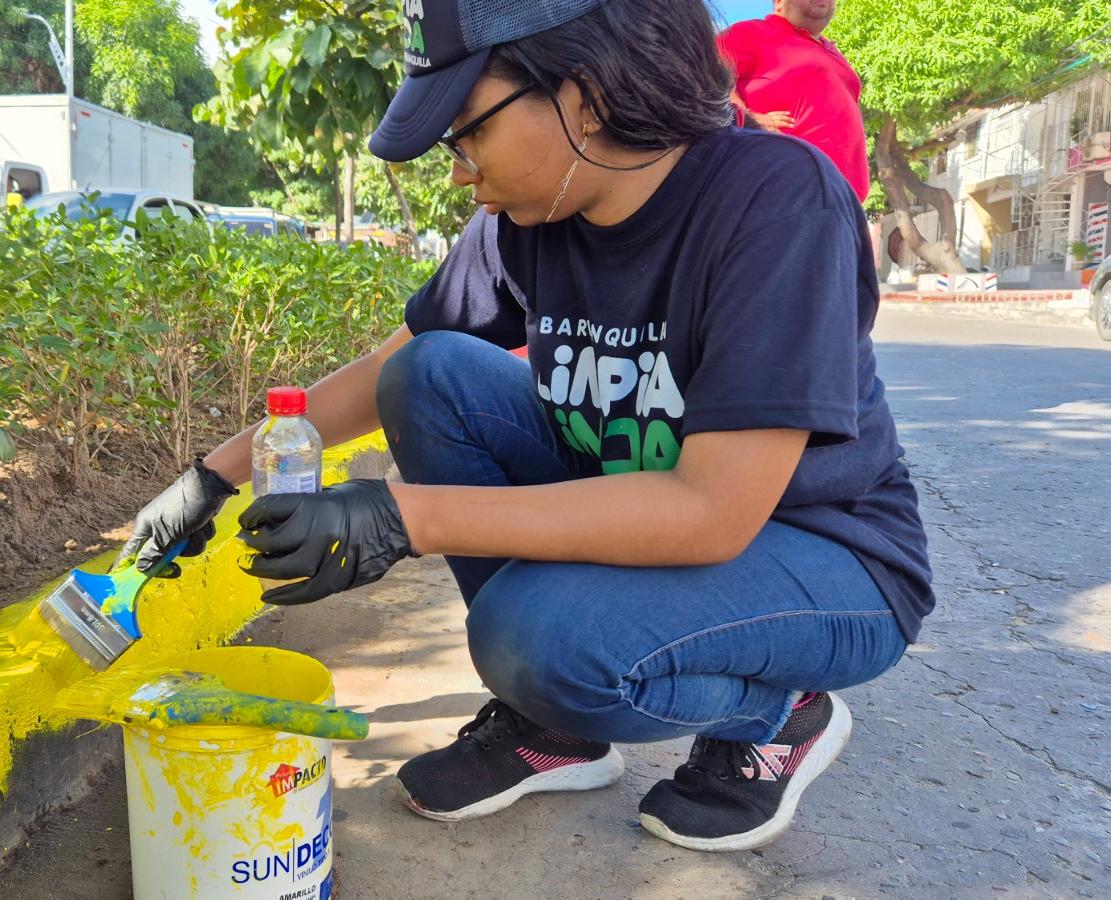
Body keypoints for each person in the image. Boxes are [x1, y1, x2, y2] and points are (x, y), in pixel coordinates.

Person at [117, 0, 930, 852]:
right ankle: (560, 725)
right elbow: (381, 372)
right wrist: (209, 479)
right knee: (428, 373)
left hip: (822, 556)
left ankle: (776, 711)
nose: (460, 171)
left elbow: (711, 510)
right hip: (652, 509)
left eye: (467, 132)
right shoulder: (526, 222)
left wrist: (402, 517)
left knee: (533, 637)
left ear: (583, 97)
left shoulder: (776, 198)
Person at [717, 0, 871, 202]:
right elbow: (700, 72)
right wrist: (745, 117)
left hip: (843, 203)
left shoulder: (833, 52)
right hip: (784, 195)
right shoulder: (751, 33)